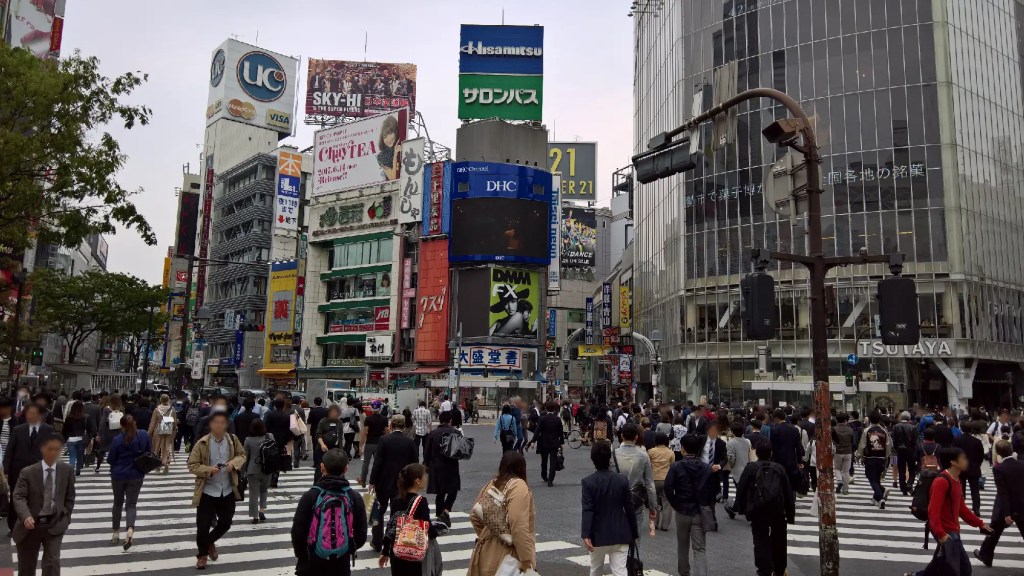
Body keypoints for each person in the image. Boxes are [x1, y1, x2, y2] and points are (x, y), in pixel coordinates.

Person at [903, 447, 992, 576]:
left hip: (952, 530)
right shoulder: (941, 481)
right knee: (964, 569)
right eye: (963, 458)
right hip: (947, 532)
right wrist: (940, 534)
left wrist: (980, 523)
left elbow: (961, 508)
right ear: (953, 462)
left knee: (937, 566)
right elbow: (933, 510)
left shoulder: (957, 480)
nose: (966, 461)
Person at [291, 449, 368, 576]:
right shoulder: (354, 497)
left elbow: (298, 530)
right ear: (346, 469)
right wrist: (347, 548)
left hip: (312, 560)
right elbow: (361, 532)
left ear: (322, 467)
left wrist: (302, 555)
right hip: (341, 561)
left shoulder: (311, 496)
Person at [187, 411, 246, 570]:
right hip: (207, 490)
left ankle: (209, 542)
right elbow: (192, 465)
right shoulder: (202, 443)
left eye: (222, 423)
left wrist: (234, 463)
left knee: (226, 522)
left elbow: (242, 455)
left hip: (227, 489)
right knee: (203, 526)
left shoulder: (232, 440)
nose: (219, 426)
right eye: (216, 423)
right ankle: (202, 555)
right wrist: (208, 470)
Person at [12, 434, 75, 576]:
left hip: (54, 523)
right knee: (27, 566)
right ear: (42, 449)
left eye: (57, 449)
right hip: (30, 525)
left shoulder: (67, 470)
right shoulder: (28, 472)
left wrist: (66, 517)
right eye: (50, 449)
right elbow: (18, 496)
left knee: (52, 564)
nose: (53, 453)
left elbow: (70, 496)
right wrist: (25, 516)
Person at [468, 452, 536, 576]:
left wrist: (489, 535)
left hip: (485, 550)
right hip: (507, 556)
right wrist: (526, 561)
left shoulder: (492, 484)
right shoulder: (519, 486)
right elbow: (518, 527)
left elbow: (474, 515)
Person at [734, 443, 796, 576]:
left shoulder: (751, 468)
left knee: (760, 540)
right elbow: (787, 491)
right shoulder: (779, 468)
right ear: (771, 453)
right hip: (777, 510)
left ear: (756, 453)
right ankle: (779, 569)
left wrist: (741, 508)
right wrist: (790, 514)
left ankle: (764, 570)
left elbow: (741, 488)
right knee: (779, 540)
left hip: (758, 509)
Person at [581, 441, 638, 576]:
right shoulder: (622, 480)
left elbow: (588, 509)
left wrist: (586, 534)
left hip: (598, 534)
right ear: (609, 459)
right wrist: (634, 533)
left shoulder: (588, 482)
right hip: (620, 532)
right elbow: (629, 508)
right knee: (620, 571)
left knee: (596, 570)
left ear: (593, 459)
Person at [379, 463, 443, 575]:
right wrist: (437, 530)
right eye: (425, 476)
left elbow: (391, 528)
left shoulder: (396, 500)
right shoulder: (420, 501)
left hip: (397, 552)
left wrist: (385, 552)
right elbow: (428, 528)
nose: (427, 479)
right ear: (418, 481)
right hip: (413, 554)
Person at [664, 434, 713, 576]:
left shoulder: (676, 466)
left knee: (683, 545)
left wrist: (675, 504)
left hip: (682, 510)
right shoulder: (706, 468)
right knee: (700, 548)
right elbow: (712, 491)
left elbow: (668, 487)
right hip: (699, 510)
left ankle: (684, 572)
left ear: (683, 449)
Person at [369, 415, 419, 551]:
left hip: (384, 482)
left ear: (391, 425)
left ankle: (377, 541)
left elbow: (377, 463)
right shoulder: (409, 442)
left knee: (379, 512)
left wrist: (372, 481)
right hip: (402, 483)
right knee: (398, 513)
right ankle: (393, 540)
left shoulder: (384, 440)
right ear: (403, 426)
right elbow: (415, 463)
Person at [5, 404, 54, 536]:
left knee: (37, 498)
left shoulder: (48, 430)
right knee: (16, 498)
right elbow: (10, 450)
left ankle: (35, 524)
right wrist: (6, 471)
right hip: (18, 471)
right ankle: (13, 526)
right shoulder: (18, 430)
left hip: (39, 470)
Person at [974, 440, 1024, 566]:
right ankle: (984, 555)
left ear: (998, 453)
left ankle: (985, 555)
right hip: (1021, 504)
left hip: (1004, 506)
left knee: (994, 531)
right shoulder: (1022, 465)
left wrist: (1007, 513)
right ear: (1011, 449)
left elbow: (1003, 492)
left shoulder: (999, 468)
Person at [105, 414, 150, 550]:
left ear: (121, 426)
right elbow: (149, 452)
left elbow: (111, 459)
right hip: (136, 474)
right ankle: (130, 529)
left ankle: (116, 532)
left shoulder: (117, 440)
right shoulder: (143, 435)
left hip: (118, 475)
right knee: (131, 504)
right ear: (134, 423)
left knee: (117, 503)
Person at [612, 424, 658, 545]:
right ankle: (632, 554)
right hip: (636, 500)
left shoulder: (613, 455)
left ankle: (621, 555)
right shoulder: (643, 456)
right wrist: (653, 506)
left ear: (622, 436)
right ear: (636, 437)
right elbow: (649, 484)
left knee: (617, 537)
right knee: (635, 537)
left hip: (617, 500)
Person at [424, 411, 461, 526]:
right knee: (453, 490)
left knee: (440, 492)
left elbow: (426, 452)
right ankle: (445, 511)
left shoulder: (433, 434)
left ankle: (441, 515)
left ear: (439, 420)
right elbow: (461, 451)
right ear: (450, 421)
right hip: (451, 465)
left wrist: (427, 465)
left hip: (436, 466)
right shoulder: (456, 432)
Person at [857, 411, 893, 509]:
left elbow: (862, 445)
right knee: (876, 478)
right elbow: (888, 445)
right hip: (881, 458)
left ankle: (881, 496)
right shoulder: (884, 431)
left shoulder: (867, 431)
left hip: (870, 457)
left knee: (871, 478)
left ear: (869, 419)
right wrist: (887, 457)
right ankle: (876, 497)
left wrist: (858, 455)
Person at [243, 418, 274, 524]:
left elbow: (245, 457)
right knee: (264, 490)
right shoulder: (269, 436)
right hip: (267, 468)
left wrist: (243, 471)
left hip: (253, 469)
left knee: (253, 493)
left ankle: (255, 516)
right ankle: (262, 510)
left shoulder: (248, 440)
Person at [954, 421, 985, 516]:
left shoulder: (957, 440)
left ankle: (961, 507)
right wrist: (977, 465)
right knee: (975, 490)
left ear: (961, 429)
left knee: (961, 489)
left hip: (960, 467)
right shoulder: (977, 441)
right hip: (973, 467)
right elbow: (981, 455)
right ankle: (976, 509)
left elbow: (954, 453)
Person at [532, 401, 565, 487]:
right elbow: (560, 432)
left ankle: (544, 475)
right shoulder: (557, 419)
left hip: (544, 442)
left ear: (546, 409)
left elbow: (537, 430)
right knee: (553, 461)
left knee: (544, 460)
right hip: (554, 442)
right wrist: (561, 443)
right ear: (554, 409)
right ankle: (551, 479)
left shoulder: (542, 419)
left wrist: (533, 441)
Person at [59, 401, 94, 477]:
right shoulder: (85, 417)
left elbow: (65, 430)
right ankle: (78, 470)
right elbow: (90, 429)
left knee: (72, 456)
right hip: (81, 439)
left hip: (71, 439)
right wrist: (90, 437)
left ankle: (71, 471)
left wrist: (65, 438)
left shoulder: (69, 418)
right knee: (80, 456)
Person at [649, 433, 675, 532]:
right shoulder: (670, 452)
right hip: (666, 479)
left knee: (654, 502)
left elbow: (648, 465)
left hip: (654, 479)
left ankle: (654, 523)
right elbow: (672, 467)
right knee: (667, 502)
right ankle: (665, 525)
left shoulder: (651, 451)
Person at [359, 400, 389, 486]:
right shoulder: (384, 419)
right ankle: (376, 481)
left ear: (371, 408)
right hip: (380, 444)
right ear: (380, 408)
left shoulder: (368, 419)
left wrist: (361, 445)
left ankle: (363, 480)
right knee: (378, 463)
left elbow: (365, 432)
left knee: (366, 462)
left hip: (369, 443)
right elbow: (387, 432)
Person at [94, 393, 125, 473]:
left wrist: (99, 434)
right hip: (118, 432)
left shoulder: (107, 409)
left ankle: (98, 467)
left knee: (102, 450)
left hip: (107, 432)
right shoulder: (122, 409)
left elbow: (102, 422)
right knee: (115, 451)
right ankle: (112, 468)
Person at [145, 394, 176, 474]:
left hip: (158, 431)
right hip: (168, 431)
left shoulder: (157, 410)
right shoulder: (172, 410)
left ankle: (157, 467)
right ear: (168, 400)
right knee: (166, 448)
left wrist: (149, 433)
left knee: (157, 448)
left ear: (160, 400)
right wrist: (173, 432)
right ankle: (166, 464)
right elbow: (174, 423)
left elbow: (153, 423)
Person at [892, 411, 920, 495]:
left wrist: (896, 448)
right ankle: (910, 483)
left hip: (900, 450)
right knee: (912, 469)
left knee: (901, 469)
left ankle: (903, 488)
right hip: (911, 450)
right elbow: (916, 441)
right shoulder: (913, 427)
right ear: (909, 418)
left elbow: (893, 440)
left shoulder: (895, 427)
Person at [315, 405, 343, 484]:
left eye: (336, 412)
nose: (334, 414)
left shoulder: (339, 422)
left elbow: (340, 436)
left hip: (334, 448)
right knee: (320, 468)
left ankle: (334, 484)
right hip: (323, 448)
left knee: (336, 468)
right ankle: (317, 484)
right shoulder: (323, 421)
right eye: (333, 412)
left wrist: (341, 450)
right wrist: (322, 444)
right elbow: (318, 434)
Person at [832, 412, 856, 494]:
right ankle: (845, 489)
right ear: (845, 420)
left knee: (837, 468)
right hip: (848, 452)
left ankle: (839, 481)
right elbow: (853, 442)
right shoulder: (850, 430)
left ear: (837, 420)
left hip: (837, 452)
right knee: (846, 471)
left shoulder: (834, 429)